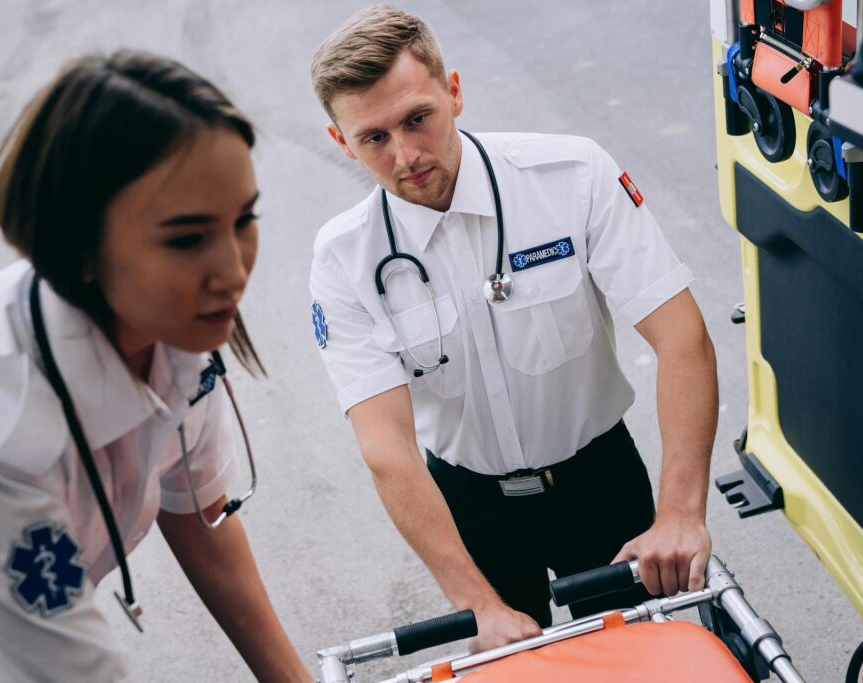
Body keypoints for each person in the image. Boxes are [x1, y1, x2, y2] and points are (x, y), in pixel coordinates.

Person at [0, 50, 310, 682]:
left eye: (244, 219)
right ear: (79, 247)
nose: (234, 271)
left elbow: (197, 516)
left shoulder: (174, 327)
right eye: (187, 239)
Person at [308, 5, 719, 651]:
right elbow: (386, 447)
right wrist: (475, 601)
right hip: (469, 507)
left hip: (598, 486)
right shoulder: (344, 259)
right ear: (341, 142)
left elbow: (681, 337)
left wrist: (680, 512)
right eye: (374, 137)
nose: (406, 154)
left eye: (418, 118)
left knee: (637, 662)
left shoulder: (571, 176)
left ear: (454, 92)